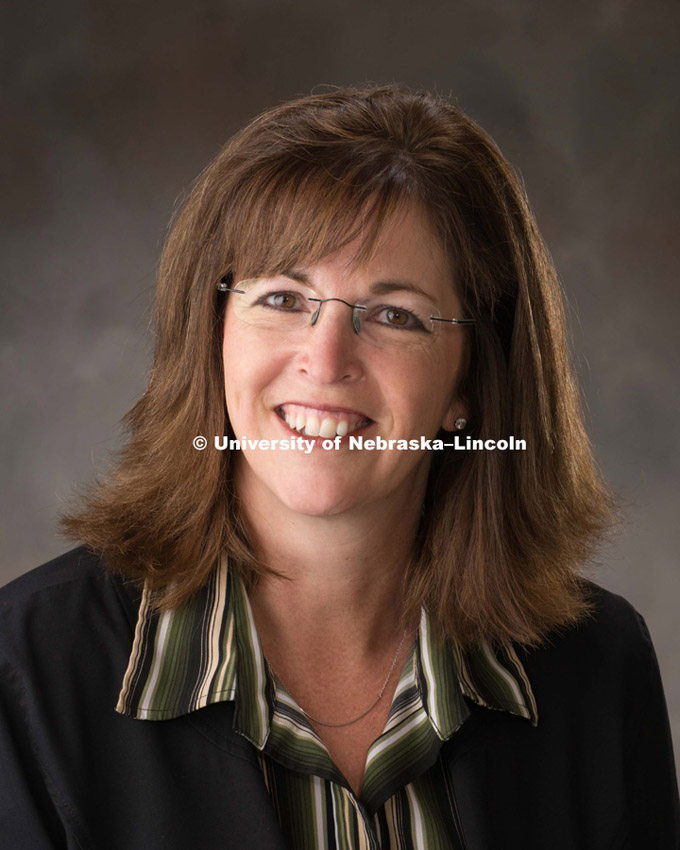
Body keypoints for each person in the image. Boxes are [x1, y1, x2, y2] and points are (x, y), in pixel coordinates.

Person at [1, 84, 678, 850]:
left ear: (470, 383)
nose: (325, 361)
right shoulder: (23, 670)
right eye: (285, 298)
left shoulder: (598, 667)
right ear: (213, 331)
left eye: (394, 315)